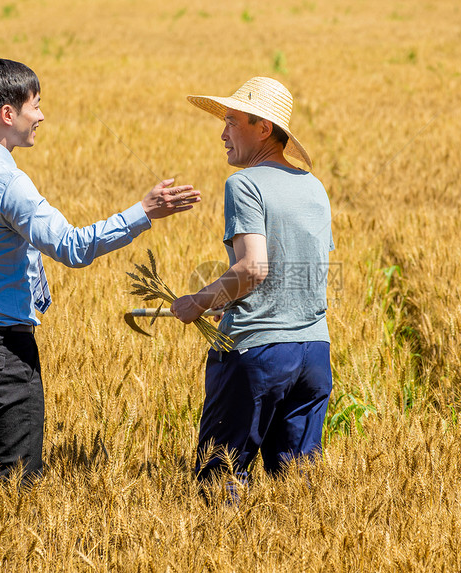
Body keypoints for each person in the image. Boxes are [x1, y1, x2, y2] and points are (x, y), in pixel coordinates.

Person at [0, 57, 200, 484]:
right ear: (7, 114)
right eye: (36, 105)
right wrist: (143, 212)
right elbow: (72, 247)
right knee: (15, 497)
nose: (42, 115)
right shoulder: (6, 181)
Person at [171, 77, 333, 487]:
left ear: (263, 128)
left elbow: (253, 269)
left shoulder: (244, 184)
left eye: (232, 122)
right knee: (296, 490)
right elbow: (302, 271)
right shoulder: (313, 187)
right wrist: (234, 298)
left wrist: (201, 301)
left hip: (256, 353)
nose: (222, 133)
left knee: (219, 484)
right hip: (314, 353)